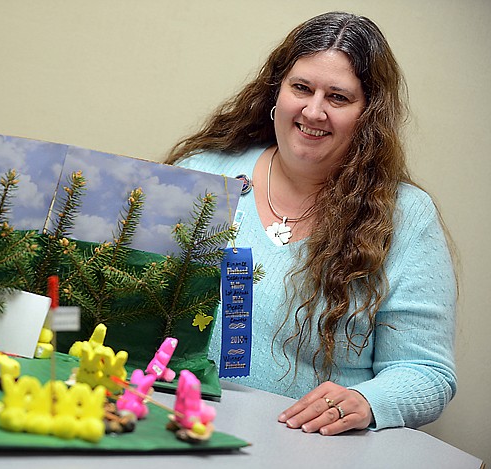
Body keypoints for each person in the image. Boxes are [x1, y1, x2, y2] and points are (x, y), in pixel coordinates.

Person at [166, 11, 456, 436]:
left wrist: (368, 401)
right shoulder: (204, 175)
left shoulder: (405, 216)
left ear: (368, 115)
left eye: (338, 98)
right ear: (276, 91)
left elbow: (426, 371)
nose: (314, 111)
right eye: (301, 88)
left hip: (310, 449)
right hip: (176, 430)